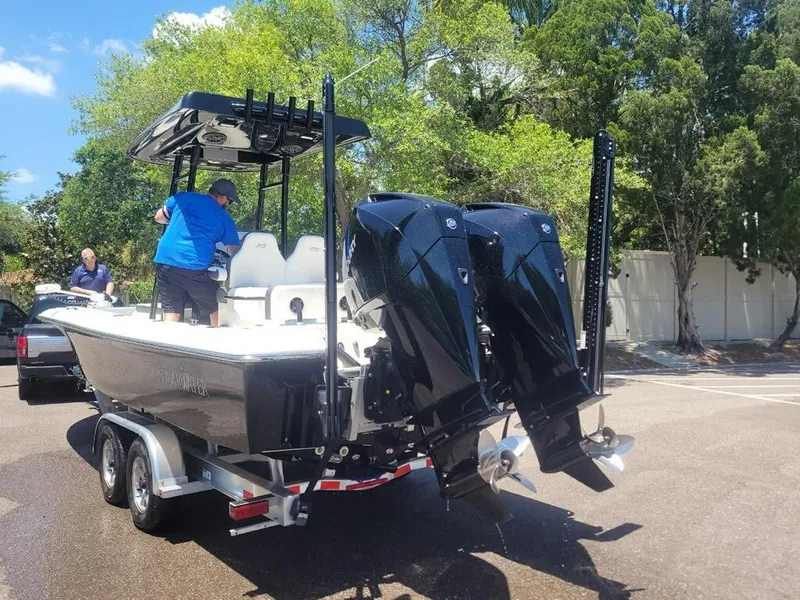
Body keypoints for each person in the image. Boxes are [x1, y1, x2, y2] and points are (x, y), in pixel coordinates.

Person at [153, 178, 241, 327]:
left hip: (165, 262)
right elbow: (236, 253)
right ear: (223, 198)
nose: (228, 206)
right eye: (229, 202)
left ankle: (170, 343)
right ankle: (218, 338)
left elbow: (159, 217)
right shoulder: (224, 218)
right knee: (216, 302)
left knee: (171, 307)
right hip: (193, 266)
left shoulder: (183, 197)